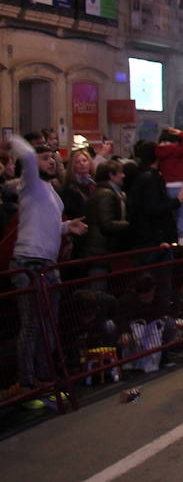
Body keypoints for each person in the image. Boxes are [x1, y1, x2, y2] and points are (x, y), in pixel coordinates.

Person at [5, 134, 87, 398]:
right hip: (28, 263)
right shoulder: (30, 184)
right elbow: (28, 156)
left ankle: (44, 376)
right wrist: (11, 138)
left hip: (49, 265)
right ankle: (27, 381)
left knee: (48, 324)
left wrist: (67, 227)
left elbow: (47, 224)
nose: (51, 161)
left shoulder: (50, 192)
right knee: (31, 324)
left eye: (53, 157)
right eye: (45, 158)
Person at [154, 128, 183, 239]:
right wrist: (181, 133)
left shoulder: (160, 150)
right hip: (178, 184)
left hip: (169, 184)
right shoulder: (176, 149)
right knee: (181, 213)